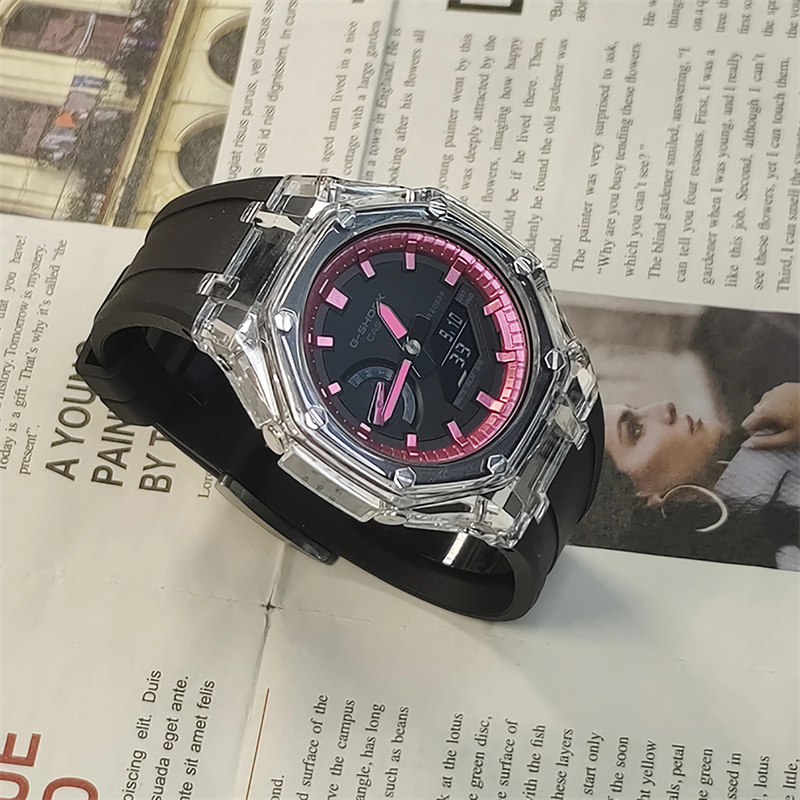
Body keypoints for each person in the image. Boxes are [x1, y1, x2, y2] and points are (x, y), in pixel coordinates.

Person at [575, 383, 800, 570]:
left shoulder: (779, 433)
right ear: (642, 500)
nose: (666, 407)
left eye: (636, 408)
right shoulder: (775, 560)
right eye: (636, 429)